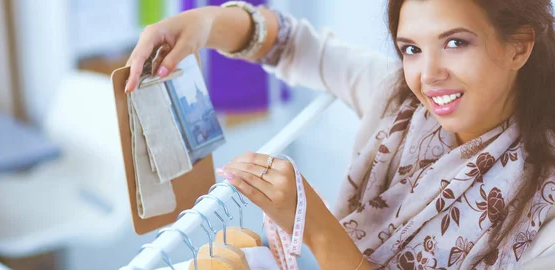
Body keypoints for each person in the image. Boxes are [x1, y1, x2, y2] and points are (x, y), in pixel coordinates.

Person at [125, 0, 555, 269]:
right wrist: (205, 24)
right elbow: (294, 45)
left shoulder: (545, 211)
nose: (428, 75)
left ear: (518, 46)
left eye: (456, 43)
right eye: (411, 48)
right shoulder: (399, 101)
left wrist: (313, 223)